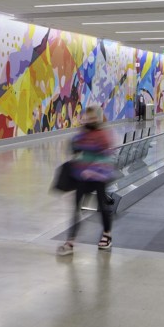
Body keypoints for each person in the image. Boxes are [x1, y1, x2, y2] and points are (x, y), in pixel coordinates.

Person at [57, 106, 114, 255]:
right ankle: (70, 241)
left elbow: (106, 155)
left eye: (93, 118)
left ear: (99, 118)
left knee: (102, 205)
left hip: (99, 176)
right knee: (76, 207)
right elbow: (74, 148)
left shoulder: (103, 135)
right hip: (82, 176)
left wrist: (93, 169)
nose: (90, 121)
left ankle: (107, 234)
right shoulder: (83, 134)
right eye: (88, 118)